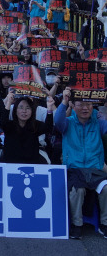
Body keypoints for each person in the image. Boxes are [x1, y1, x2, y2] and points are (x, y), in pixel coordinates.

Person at [55, 87, 107, 239]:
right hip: (76, 169)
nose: (85, 108)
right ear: (73, 106)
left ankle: (104, 224)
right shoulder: (68, 123)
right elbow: (57, 120)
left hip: (95, 170)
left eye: (89, 104)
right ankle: (77, 225)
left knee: (106, 188)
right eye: (80, 104)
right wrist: (64, 101)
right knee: (77, 191)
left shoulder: (99, 122)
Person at [1, 93, 55, 164]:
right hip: (11, 165)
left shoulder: (35, 125)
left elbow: (48, 127)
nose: (24, 111)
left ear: (32, 111)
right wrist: (8, 103)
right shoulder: (10, 125)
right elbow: (3, 123)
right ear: (15, 110)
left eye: (28, 108)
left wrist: (49, 109)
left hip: (31, 165)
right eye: (21, 107)